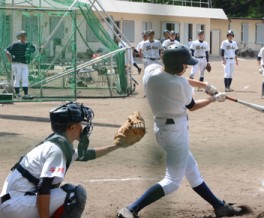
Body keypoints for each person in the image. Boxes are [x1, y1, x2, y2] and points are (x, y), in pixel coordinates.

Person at [116, 44, 243, 218]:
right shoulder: (180, 85)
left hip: (161, 130)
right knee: (172, 182)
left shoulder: (151, 72)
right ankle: (131, 209)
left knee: (192, 170)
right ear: (177, 66)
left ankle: (219, 207)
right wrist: (213, 98)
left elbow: (176, 78)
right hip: (176, 133)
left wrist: (205, 85)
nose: (187, 67)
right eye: (185, 65)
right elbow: (192, 106)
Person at [0, 101, 125, 218]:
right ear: (71, 128)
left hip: (15, 201)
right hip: (16, 205)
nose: (83, 127)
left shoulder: (58, 143)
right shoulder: (56, 150)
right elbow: (43, 188)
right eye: (80, 123)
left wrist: (117, 146)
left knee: (60, 191)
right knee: (75, 195)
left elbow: (86, 155)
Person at [5, 30, 36, 99]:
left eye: (24, 36)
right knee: (17, 78)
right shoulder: (15, 44)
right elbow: (7, 50)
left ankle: (26, 94)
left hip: (25, 64)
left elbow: (34, 48)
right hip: (16, 63)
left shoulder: (28, 44)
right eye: (21, 36)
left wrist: (37, 47)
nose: (23, 37)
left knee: (25, 78)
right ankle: (18, 94)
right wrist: (9, 58)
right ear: (19, 37)